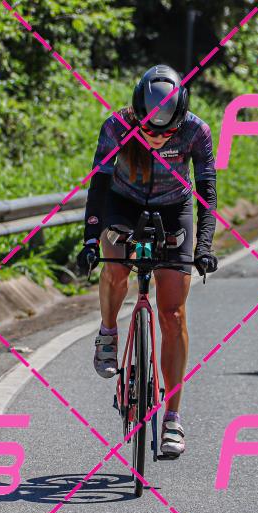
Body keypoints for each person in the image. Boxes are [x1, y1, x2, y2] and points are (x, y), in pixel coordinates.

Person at [74, 64, 219, 458]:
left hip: (174, 208)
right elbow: (98, 186)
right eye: (149, 130)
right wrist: (91, 240)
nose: (156, 138)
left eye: (166, 132)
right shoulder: (116, 126)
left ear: (181, 118)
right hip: (123, 203)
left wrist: (204, 246)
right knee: (115, 265)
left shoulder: (196, 131)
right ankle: (108, 332)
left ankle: (172, 418)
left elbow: (207, 192)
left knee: (173, 314)